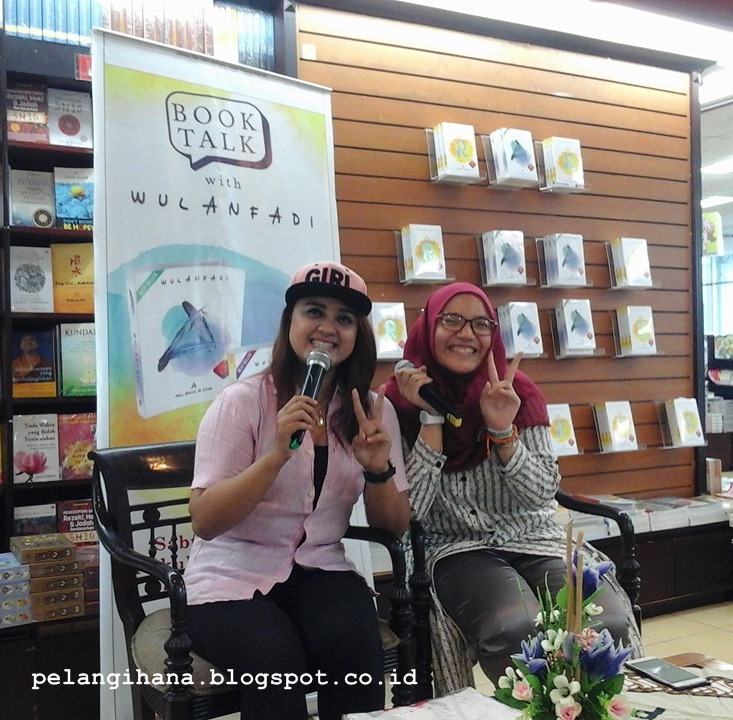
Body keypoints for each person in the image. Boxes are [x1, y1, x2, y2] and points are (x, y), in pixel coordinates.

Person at [385, 282, 643, 695]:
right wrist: (431, 418)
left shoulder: (516, 391)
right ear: (428, 326)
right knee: (514, 627)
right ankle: (538, 710)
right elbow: (410, 511)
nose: (466, 334)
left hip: (534, 537)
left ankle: (585, 710)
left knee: (604, 620)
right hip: (455, 547)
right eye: (451, 320)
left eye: (481, 324)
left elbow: (541, 494)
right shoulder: (396, 405)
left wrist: (503, 429)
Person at [185, 261, 411, 720]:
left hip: (320, 569)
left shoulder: (372, 411)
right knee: (275, 664)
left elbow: (394, 525)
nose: (328, 328)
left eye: (344, 318)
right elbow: (205, 520)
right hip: (229, 577)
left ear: (358, 335)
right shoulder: (242, 402)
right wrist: (275, 456)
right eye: (314, 311)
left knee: (355, 648)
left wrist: (377, 470)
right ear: (290, 321)